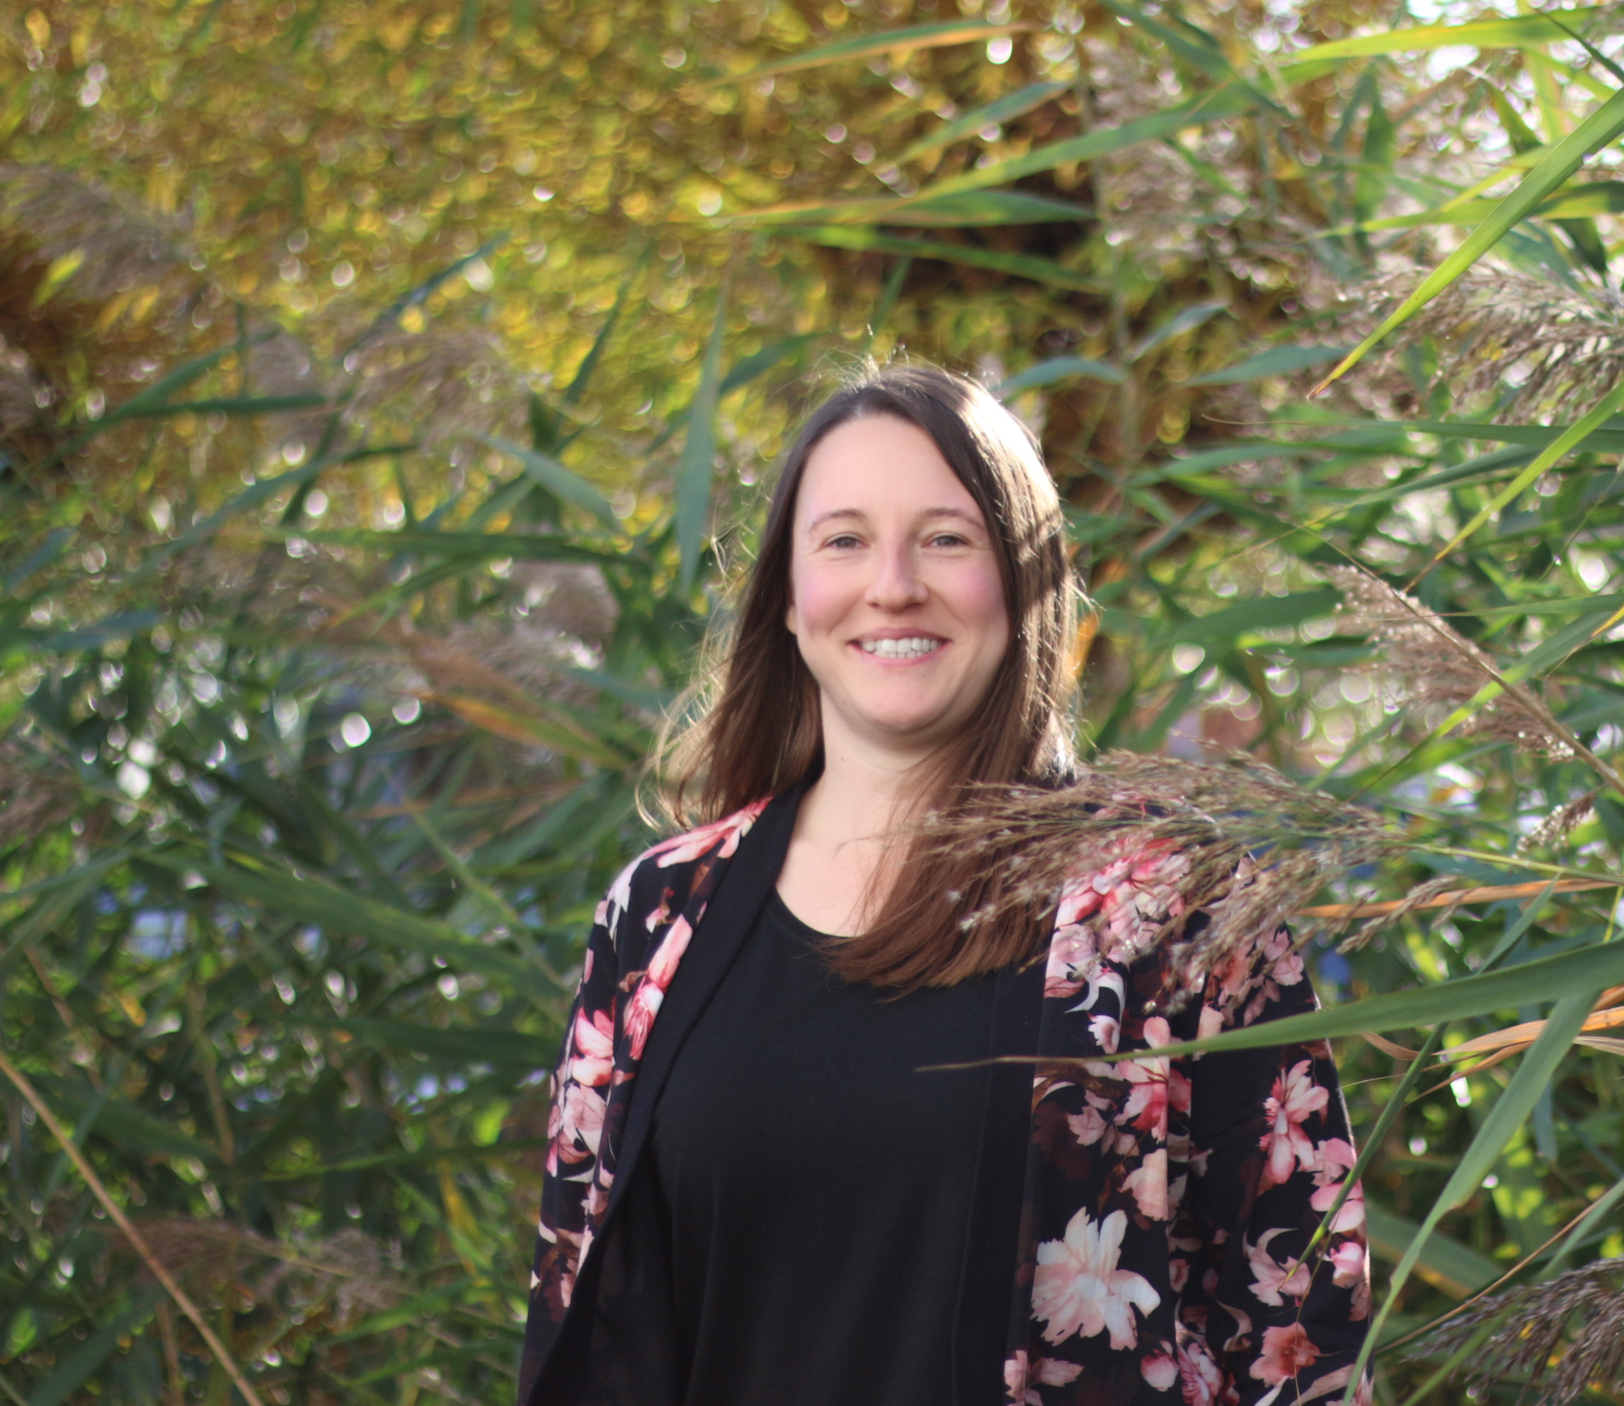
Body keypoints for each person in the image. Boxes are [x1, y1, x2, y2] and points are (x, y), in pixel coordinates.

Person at [517, 365, 1371, 1406]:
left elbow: (1298, 1320)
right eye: (844, 540)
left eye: (946, 538)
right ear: (788, 599)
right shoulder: (657, 918)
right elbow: (577, 1316)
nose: (893, 584)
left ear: (1021, 582)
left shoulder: (1171, 905)